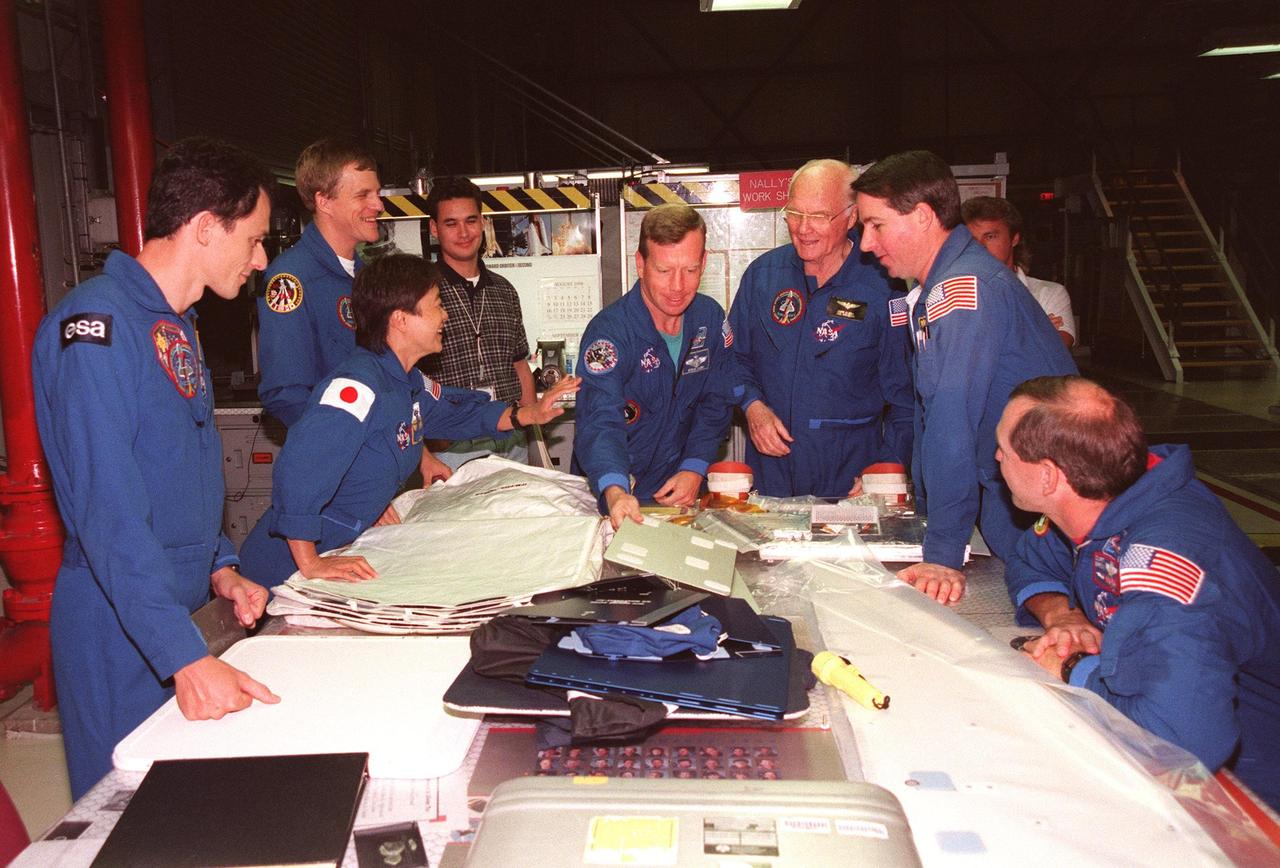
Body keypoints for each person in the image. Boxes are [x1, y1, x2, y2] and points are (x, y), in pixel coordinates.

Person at [32, 138, 280, 798]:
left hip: (179, 603)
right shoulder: (95, 329)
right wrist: (183, 655)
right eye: (254, 239)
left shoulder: (174, 325)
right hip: (119, 616)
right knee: (128, 812)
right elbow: (110, 514)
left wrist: (219, 567)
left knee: (189, 807)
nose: (260, 260)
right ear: (204, 227)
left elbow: (183, 470)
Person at [998, 376, 1280, 810]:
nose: (996, 455)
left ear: (1050, 476)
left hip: (1249, 792)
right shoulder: (1107, 498)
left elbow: (1181, 743)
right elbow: (1032, 558)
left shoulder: (1161, 564)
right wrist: (1061, 614)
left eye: (1005, 449)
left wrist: (1073, 666)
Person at [238, 254, 578, 586]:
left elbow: (455, 413)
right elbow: (300, 471)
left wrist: (527, 413)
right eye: (437, 305)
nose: (446, 316)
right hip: (280, 572)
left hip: (341, 548)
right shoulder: (356, 389)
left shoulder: (406, 381)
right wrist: (310, 562)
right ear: (401, 319)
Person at [853, 150, 1077, 604]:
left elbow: (951, 421)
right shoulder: (941, 285)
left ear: (920, 217)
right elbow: (929, 414)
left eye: (875, 225)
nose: (865, 244)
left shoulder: (963, 291)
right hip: (1009, 496)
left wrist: (942, 553)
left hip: (1048, 503)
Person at [728, 158, 913, 497]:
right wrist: (753, 407)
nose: (803, 228)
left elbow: (906, 397)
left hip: (852, 476)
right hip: (773, 476)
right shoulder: (763, 276)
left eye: (819, 216)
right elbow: (733, 359)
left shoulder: (884, 284)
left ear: (851, 216)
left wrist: (887, 469)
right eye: (795, 213)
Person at [574, 203, 736, 529]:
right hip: (613, 491)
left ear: (704, 262)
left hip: (679, 490)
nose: (678, 286)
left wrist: (694, 467)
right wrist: (615, 490)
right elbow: (600, 420)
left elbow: (715, 403)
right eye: (664, 271)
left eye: (690, 270)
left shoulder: (709, 319)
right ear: (641, 264)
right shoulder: (610, 334)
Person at [256, 137, 382, 428]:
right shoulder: (290, 280)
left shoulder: (367, 277)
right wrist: (347, 443)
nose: (378, 204)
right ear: (324, 201)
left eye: (377, 193)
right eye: (363, 195)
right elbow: (287, 396)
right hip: (340, 461)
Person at [418, 176, 535, 469]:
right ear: (434, 228)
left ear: (482, 222)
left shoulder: (504, 290)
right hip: (452, 448)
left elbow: (520, 366)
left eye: (471, 221)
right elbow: (403, 378)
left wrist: (530, 426)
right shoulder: (420, 292)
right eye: (450, 223)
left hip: (511, 443)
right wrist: (428, 451)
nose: (463, 232)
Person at [962, 196, 1076, 348]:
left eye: (990, 236)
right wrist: (1035, 330)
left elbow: (1058, 348)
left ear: (1014, 239)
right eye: (972, 240)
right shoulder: (955, 294)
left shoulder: (1048, 293)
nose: (980, 246)